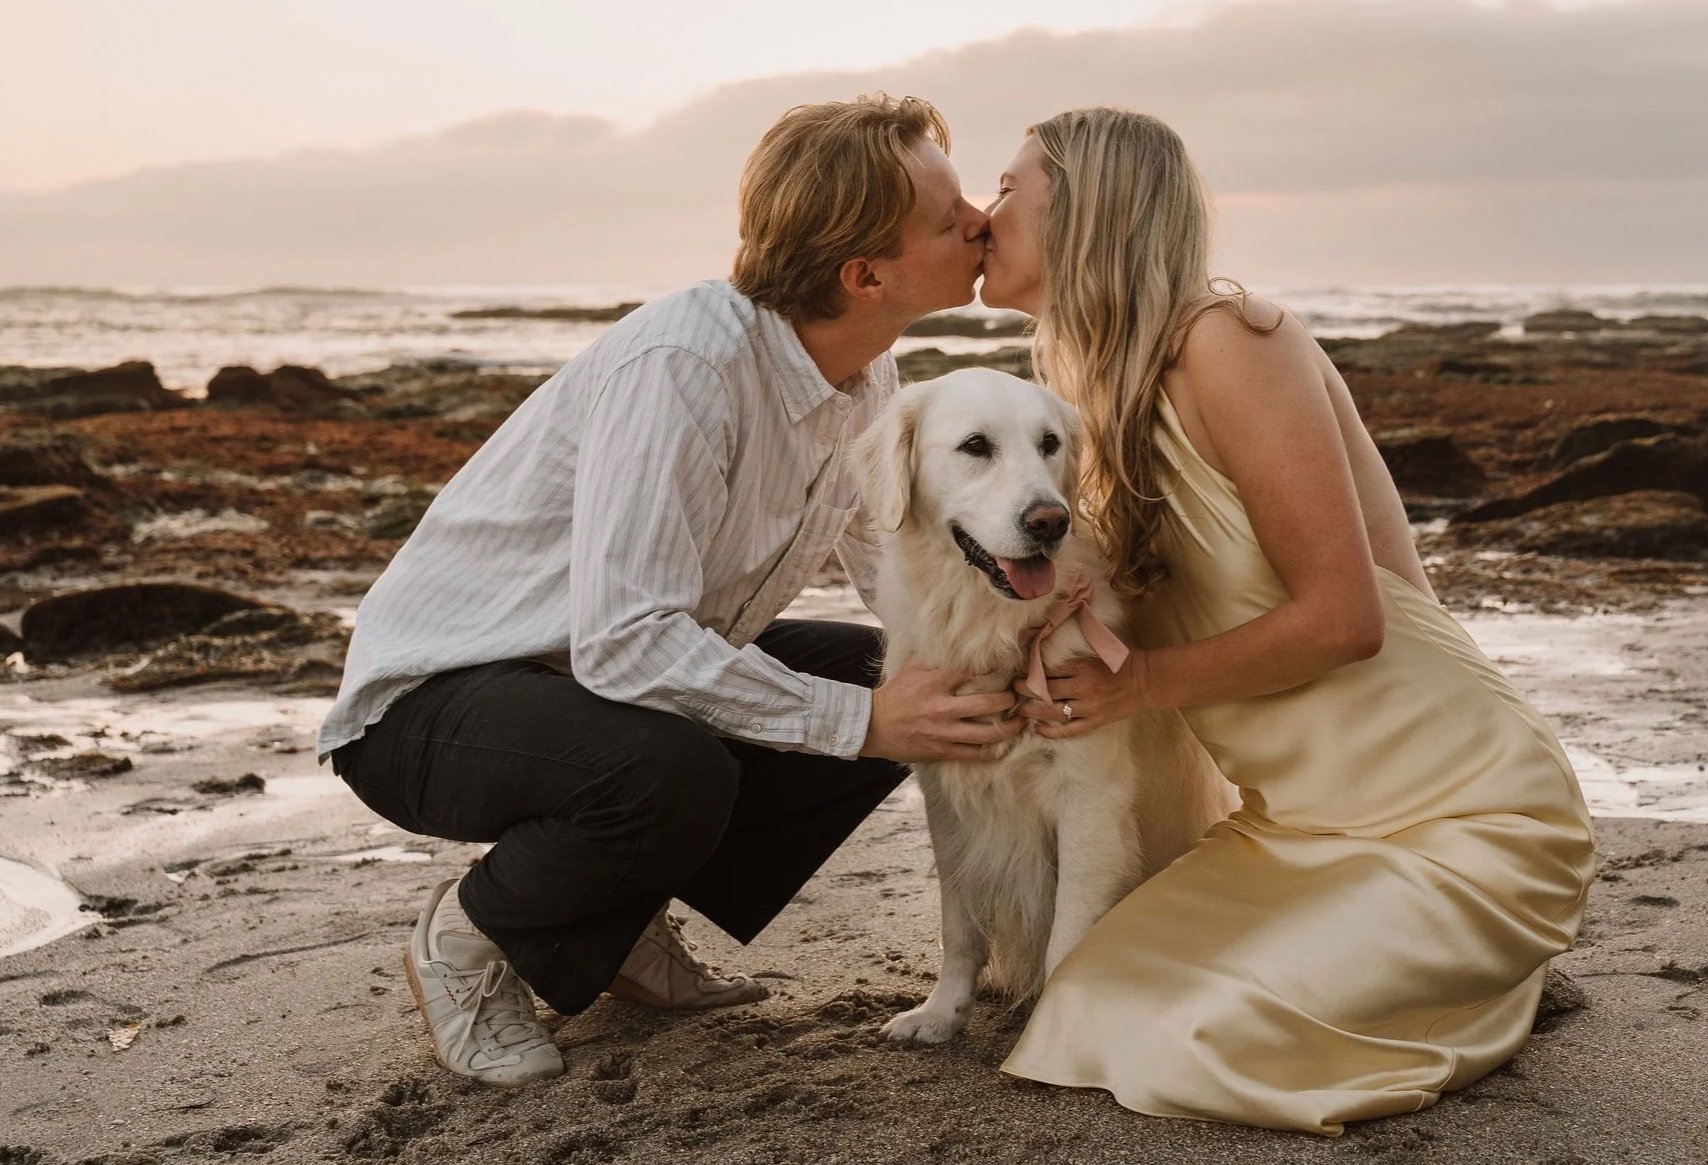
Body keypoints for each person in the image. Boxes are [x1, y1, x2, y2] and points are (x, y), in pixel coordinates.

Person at [316, 94, 1022, 1087]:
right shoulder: (689, 365)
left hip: (584, 684)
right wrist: (863, 722)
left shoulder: (866, 375)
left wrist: (1011, 648)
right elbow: (626, 640)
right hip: (431, 707)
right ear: (864, 274)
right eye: (952, 219)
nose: (982, 223)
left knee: (888, 676)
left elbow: (889, 565)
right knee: (685, 767)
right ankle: (470, 940)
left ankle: (614, 923)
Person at [980, 108, 1597, 1134]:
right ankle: (1436, 979)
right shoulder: (1084, 390)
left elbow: (1347, 620)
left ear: (1086, 209)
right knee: (1080, 1009)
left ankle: (1485, 969)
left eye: (1008, 189)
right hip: (1295, 827)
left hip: (1462, 810)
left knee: (1189, 1040)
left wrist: (1137, 685)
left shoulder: (1229, 341)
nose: (982, 214)